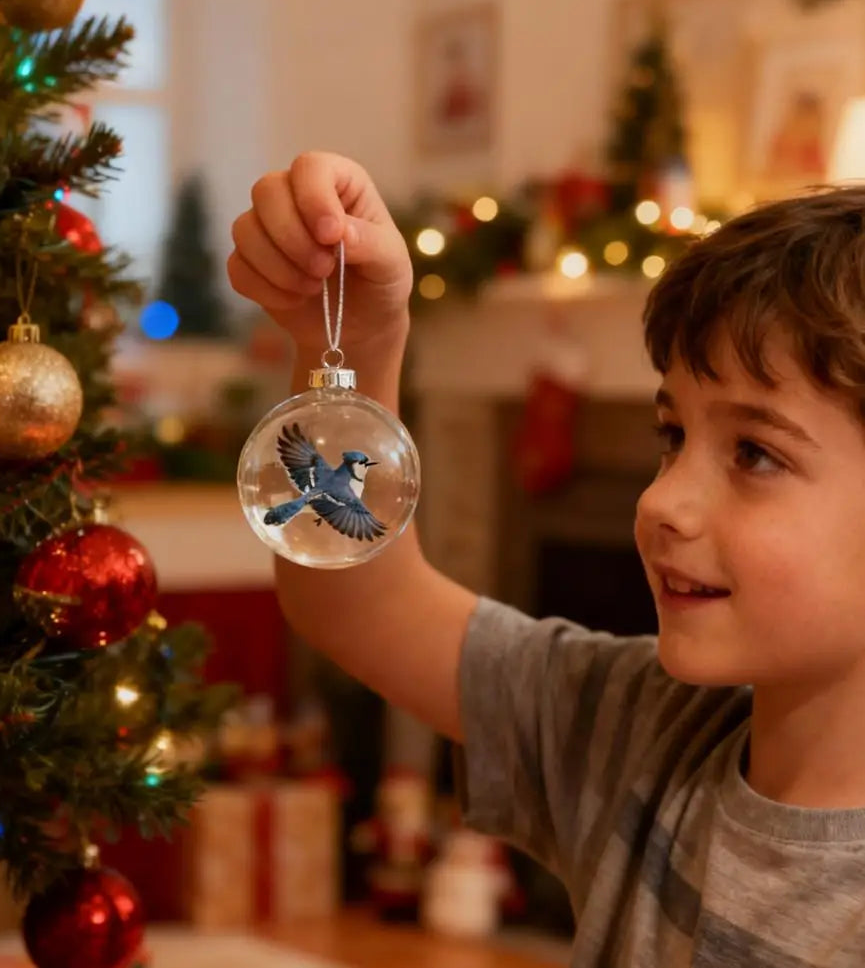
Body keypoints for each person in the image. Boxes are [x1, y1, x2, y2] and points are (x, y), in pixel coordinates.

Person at [227, 151, 865, 965]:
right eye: (671, 436)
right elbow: (359, 604)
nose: (659, 500)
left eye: (755, 454)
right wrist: (351, 341)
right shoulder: (636, 733)